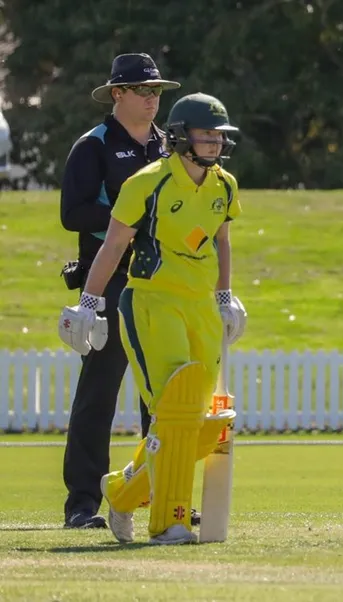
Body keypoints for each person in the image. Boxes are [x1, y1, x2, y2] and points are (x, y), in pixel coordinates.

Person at [58, 92, 248, 545]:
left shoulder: (225, 184)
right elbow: (114, 244)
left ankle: (123, 491)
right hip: (150, 301)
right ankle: (169, 520)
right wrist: (89, 302)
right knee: (175, 409)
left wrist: (224, 295)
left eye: (219, 136)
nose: (215, 143)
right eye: (206, 135)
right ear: (183, 136)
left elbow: (221, 241)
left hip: (199, 304)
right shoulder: (147, 182)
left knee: (201, 422)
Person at [58, 52, 179, 530]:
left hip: (160, 282)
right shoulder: (94, 145)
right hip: (108, 281)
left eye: (156, 93)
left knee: (161, 394)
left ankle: (158, 495)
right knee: (99, 393)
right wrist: (128, 222)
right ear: (118, 95)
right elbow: (73, 213)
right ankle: (82, 505)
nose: (152, 101)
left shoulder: (169, 145)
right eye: (143, 92)